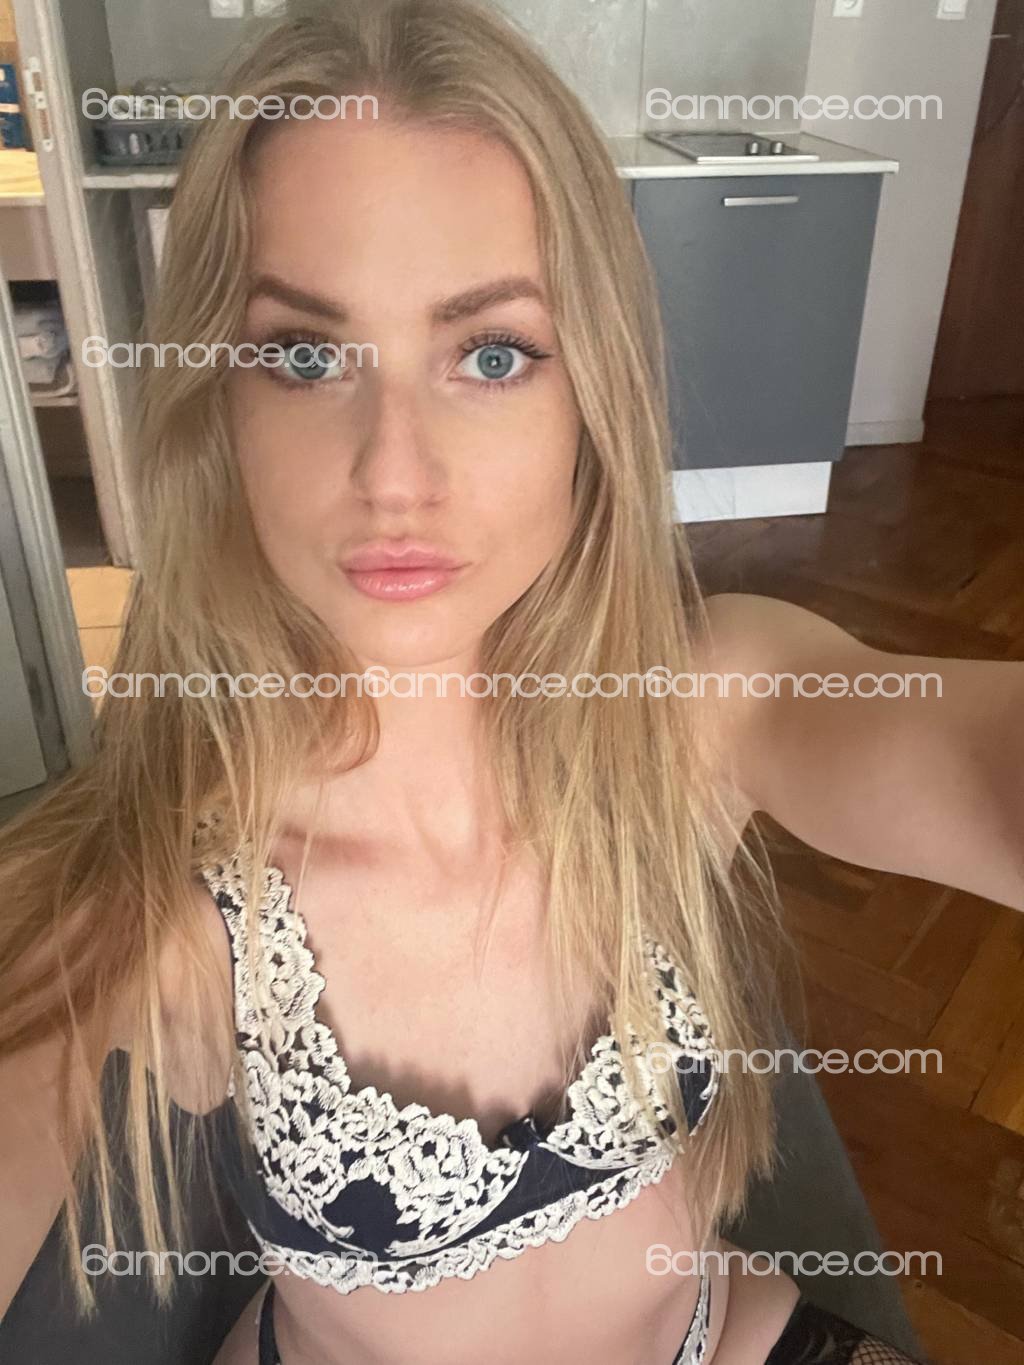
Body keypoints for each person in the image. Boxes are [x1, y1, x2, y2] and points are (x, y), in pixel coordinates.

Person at [1, 2, 1020, 1362]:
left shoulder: (696, 711)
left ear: (591, 394)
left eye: (491, 354)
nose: (395, 473)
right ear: (216, 410)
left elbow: (977, 765)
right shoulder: (147, 902)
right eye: (304, 354)